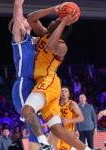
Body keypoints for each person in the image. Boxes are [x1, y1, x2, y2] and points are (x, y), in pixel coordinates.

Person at [21, 4, 92, 150]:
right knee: (57, 129)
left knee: (27, 110)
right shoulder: (44, 34)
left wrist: (64, 22)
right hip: (48, 85)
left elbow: (50, 47)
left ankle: (44, 144)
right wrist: (52, 10)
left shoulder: (61, 46)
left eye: (56, 21)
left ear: (62, 29)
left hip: (48, 81)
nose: (53, 21)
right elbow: (31, 18)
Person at [10, 0, 40, 149]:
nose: (24, 20)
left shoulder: (31, 41)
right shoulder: (19, 38)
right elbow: (17, 7)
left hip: (34, 84)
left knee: (38, 127)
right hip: (23, 83)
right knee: (33, 126)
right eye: (22, 20)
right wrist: (18, 4)